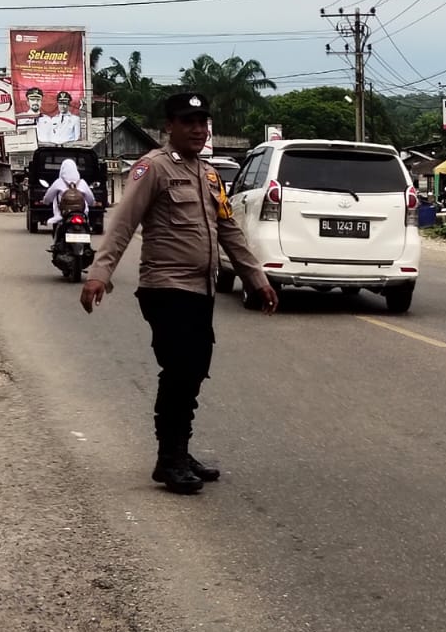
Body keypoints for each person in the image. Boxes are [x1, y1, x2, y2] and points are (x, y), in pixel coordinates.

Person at [81, 91, 278, 495]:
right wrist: (99, 273)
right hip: (166, 287)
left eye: (202, 122)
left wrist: (257, 279)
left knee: (193, 372)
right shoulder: (152, 168)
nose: (197, 129)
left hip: (200, 289)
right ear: (168, 127)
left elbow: (229, 232)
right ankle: (168, 459)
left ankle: (180, 450)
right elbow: (123, 224)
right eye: (188, 122)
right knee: (180, 371)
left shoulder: (208, 175)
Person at [43, 159, 94, 229]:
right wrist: (92, 203)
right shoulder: (82, 183)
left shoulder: (58, 182)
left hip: (63, 215)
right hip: (82, 214)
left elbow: (49, 197)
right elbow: (91, 199)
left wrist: (45, 201)